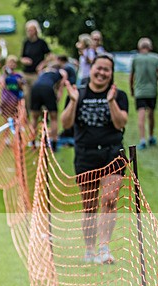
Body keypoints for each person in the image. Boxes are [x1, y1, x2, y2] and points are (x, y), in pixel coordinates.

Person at [61, 54, 128, 265]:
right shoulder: (78, 93)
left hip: (112, 153)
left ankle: (104, 248)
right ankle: (89, 249)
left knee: (110, 200)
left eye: (106, 69)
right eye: (99, 68)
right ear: (91, 69)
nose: (101, 73)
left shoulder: (118, 95)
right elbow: (65, 124)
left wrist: (111, 102)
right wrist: (73, 101)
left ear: (111, 73)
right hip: (86, 155)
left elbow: (120, 123)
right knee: (89, 206)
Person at [29, 58, 68, 150]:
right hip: (48, 89)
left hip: (35, 88)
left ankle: (32, 141)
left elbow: (38, 69)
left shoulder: (44, 71)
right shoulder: (61, 72)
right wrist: (57, 100)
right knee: (54, 117)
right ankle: (54, 143)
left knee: (34, 117)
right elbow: (60, 88)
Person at [130, 38, 158, 149]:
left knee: (141, 115)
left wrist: (132, 89)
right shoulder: (156, 58)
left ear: (139, 47)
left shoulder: (136, 59)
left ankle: (142, 140)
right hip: (152, 91)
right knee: (151, 115)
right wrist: (156, 78)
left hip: (140, 91)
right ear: (150, 47)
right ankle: (151, 137)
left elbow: (131, 76)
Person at [20, 20, 50, 113]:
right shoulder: (26, 43)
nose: (29, 32)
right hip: (26, 73)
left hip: (37, 74)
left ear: (36, 31)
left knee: (37, 94)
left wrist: (42, 65)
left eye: (31, 30)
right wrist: (24, 60)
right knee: (26, 95)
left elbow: (49, 56)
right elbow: (22, 57)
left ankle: (41, 113)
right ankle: (28, 114)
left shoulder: (41, 43)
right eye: (28, 30)